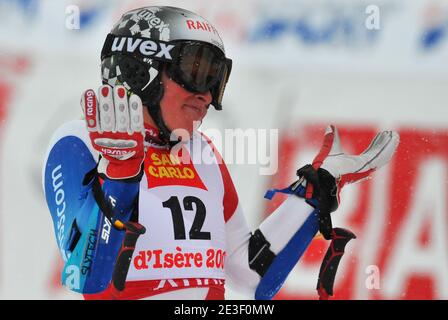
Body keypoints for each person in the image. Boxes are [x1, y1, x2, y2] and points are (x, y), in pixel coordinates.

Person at [42, 6, 399, 300]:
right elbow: (84, 275)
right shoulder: (79, 141)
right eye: (195, 72)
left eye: (216, 78)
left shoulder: (202, 152)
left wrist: (314, 193)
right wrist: (121, 175)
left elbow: (249, 274)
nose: (208, 95)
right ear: (142, 71)